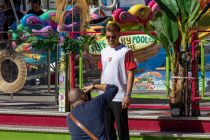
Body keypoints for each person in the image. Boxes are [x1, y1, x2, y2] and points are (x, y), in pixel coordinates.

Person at [98, 22, 137, 140]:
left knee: (122, 130)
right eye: (108, 37)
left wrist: (127, 95)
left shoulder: (126, 51)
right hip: (105, 97)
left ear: (119, 35)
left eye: (113, 37)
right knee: (107, 130)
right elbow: (103, 73)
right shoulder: (103, 52)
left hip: (120, 97)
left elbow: (131, 73)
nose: (110, 39)